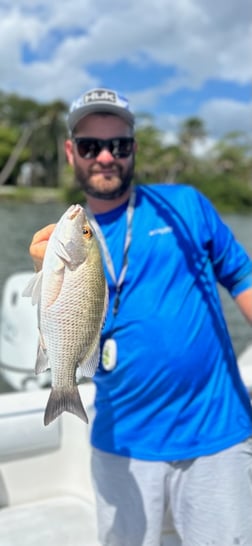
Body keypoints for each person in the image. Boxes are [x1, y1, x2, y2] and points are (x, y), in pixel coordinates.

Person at [29, 87, 252, 546]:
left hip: (219, 433)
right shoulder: (70, 234)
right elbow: (64, 312)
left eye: (120, 145)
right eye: (91, 145)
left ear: (133, 149)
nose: (106, 156)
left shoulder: (187, 205)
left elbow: (243, 278)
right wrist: (46, 274)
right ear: (72, 152)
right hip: (121, 439)